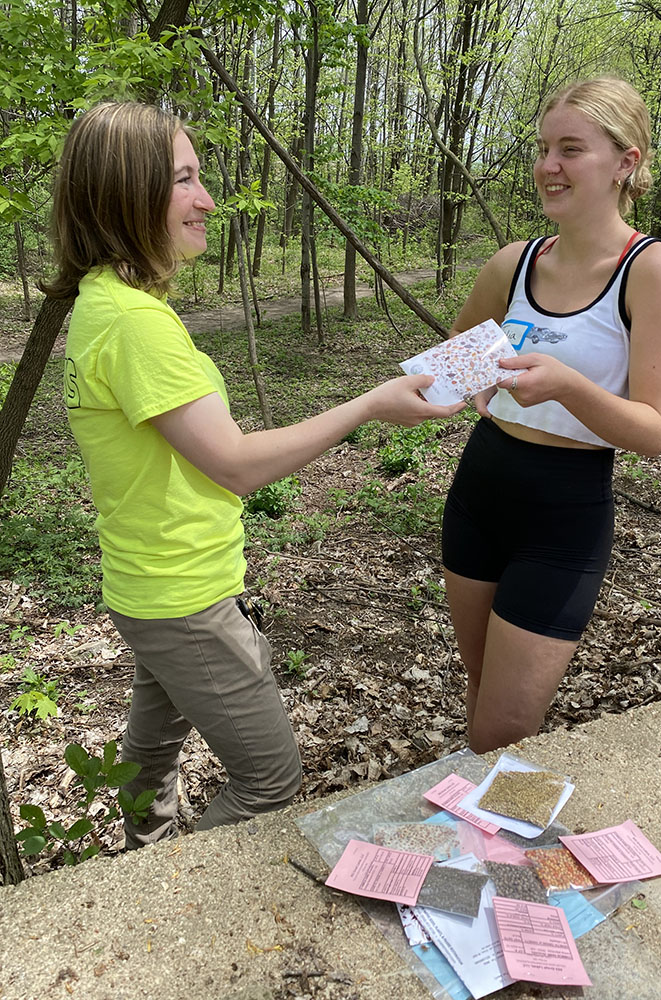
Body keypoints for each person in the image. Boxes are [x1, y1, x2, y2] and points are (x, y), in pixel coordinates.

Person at [43, 101, 463, 849]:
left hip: (150, 585)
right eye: (184, 180)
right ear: (126, 195)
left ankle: (132, 867)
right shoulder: (134, 324)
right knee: (271, 782)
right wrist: (367, 405)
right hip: (182, 598)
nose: (207, 200)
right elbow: (234, 465)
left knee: (149, 755)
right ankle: (166, 901)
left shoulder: (107, 304)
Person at [441, 77, 661, 754]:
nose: (547, 166)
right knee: (479, 685)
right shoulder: (512, 264)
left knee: (505, 728)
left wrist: (564, 386)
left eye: (570, 149)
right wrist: (444, 383)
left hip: (563, 514)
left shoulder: (654, 271)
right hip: (479, 490)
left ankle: (483, 836)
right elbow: (455, 369)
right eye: (543, 148)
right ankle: (469, 846)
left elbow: (655, 431)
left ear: (625, 162)